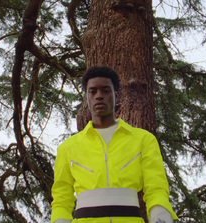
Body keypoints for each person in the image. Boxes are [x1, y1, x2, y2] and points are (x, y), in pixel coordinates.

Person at [51, 66, 178, 223]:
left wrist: (161, 216)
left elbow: (156, 188)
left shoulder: (143, 140)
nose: (99, 96)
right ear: (87, 97)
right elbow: (62, 199)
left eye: (106, 91)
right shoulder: (67, 149)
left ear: (116, 95)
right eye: (93, 91)